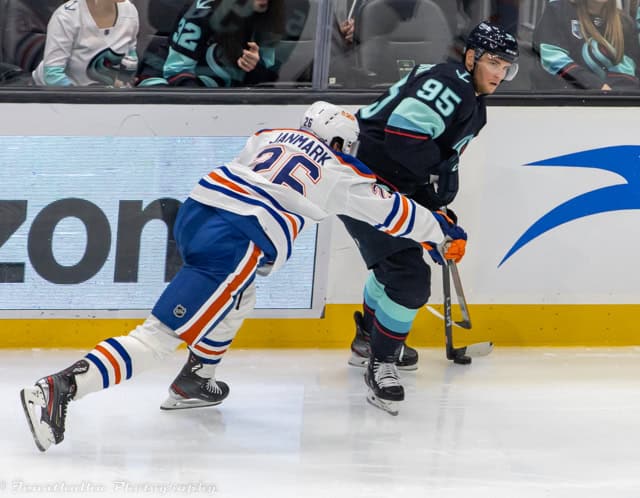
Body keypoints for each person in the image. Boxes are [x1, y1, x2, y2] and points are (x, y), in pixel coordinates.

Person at [20, 101, 468, 451]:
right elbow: (395, 212)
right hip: (236, 237)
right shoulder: (339, 168)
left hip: (197, 213)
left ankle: (196, 379)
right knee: (159, 334)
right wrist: (442, 233)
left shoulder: (267, 135)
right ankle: (60, 388)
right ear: (338, 141)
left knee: (241, 295)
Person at [340, 22, 518, 375]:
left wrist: (434, 209)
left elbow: (409, 157)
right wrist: (434, 195)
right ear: (471, 57)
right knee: (408, 277)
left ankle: (367, 340)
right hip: (362, 183)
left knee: (395, 263)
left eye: (506, 67)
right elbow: (403, 137)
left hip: (376, 180)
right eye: (494, 62)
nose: (500, 73)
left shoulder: (468, 93)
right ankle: (382, 360)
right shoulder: (453, 84)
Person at [138, 0, 285, 87]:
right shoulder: (202, 10)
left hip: (222, 93)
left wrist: (254, 68)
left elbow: (267, 82)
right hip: (164, 80)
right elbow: (176, 71)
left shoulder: (270, 17)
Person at [533, 0, 640, 91]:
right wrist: (596, 86)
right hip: (559, 105)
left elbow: (628, 74)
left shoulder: (625, 24)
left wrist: (613, 97)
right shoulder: (559, 10)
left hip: (611, 108)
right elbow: (553, 60)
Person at [32, 0, 140, 87]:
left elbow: (130, 55)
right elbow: (52, 75)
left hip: (107, 98)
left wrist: (123, 83)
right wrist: (83, 101)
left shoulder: (130, 11)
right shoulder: (66, 17)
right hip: (54, 99)